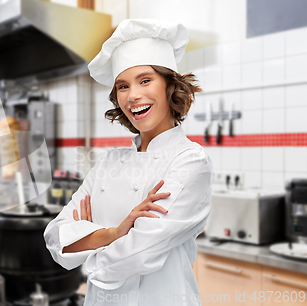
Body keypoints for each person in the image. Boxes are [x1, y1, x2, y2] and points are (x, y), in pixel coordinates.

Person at [43, 19, 212, 305]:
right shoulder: (110, 162)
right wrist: (115, 232)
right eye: (122, 86)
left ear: (170, 86)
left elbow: (140, 252)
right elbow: (56, 236)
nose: (133, 95)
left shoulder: (189, 161)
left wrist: (89, 242)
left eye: (145, 80)